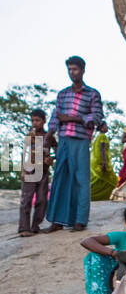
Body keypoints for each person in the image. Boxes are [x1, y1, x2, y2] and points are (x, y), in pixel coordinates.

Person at [46, 56, 104, 231]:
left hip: (81, 140)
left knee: (81, 180)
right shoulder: (63, 94)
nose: (72, 73)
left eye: (75, 69)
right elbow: (56, 116)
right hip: (63, 139)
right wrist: (49, 134)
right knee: (60, 179)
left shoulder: (92, 94)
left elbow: (96, 117)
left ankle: (80, 220)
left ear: (83, 70)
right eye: (70, 69)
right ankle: (56, 221)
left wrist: (73, 118)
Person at [18, 108, 56, 236]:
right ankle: (24, 228)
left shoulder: (49, 137)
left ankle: (35, 226)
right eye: (33, 120)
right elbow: (24, 153)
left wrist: (51, 160)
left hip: (44, 173)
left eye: (38, 120)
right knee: (26, 199)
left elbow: (57, 153)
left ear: (44, 121)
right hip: (30, 171)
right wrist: (23, 171)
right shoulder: (30, 136)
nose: (35, 123)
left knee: (42, 200)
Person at [90, 122, 117, 201]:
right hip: (101, 162)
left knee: (98, 181)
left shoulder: (97, 138)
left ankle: (96, 196)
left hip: (95, 163)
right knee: (113, 181)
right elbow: (102, 149)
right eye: (105, 126)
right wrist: (104, 162)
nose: (107, 127)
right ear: (102, 128)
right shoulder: (103, 137)